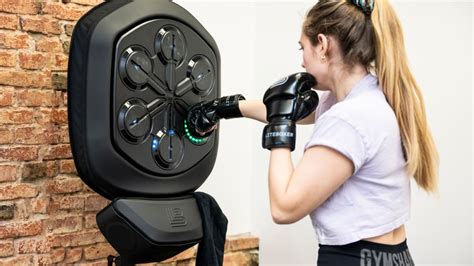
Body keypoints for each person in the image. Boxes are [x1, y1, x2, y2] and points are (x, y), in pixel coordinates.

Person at [187, 0, 439, 265]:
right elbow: (283, 109)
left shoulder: (349, 119)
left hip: (354, 259)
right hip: (390, 256)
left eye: (302, 47)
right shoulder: (366, 97)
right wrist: (224, 108)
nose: (301, 60)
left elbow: (283, 207)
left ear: (322, 44)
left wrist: (280, 127)